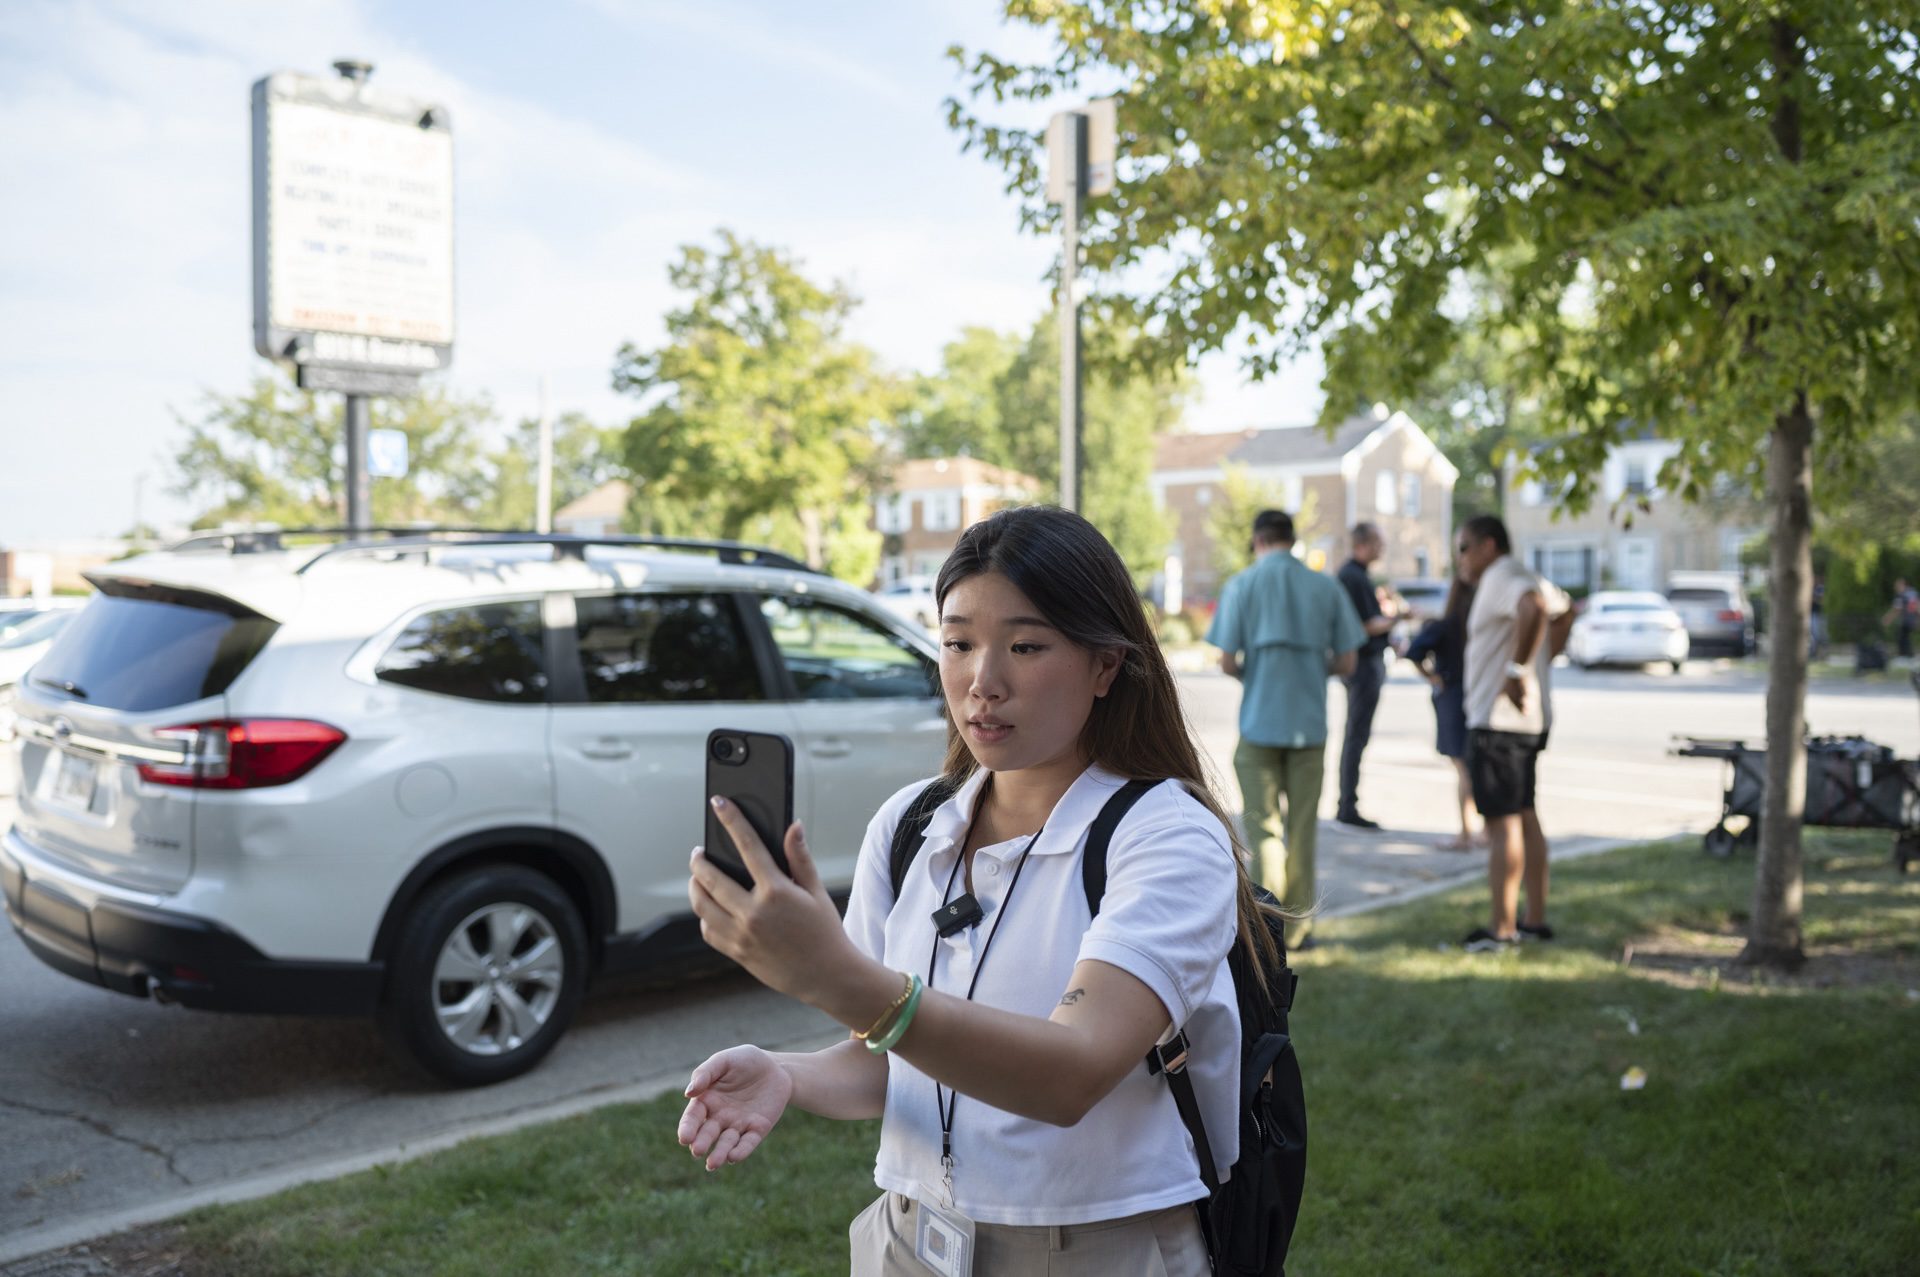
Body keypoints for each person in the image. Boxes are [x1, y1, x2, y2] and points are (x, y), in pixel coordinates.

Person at [680, 506, 1279, 1276]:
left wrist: (838, 977)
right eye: (958, 642)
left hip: (1095, 1247)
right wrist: (788, 1073)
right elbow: (891, 1055)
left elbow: (1074, 1072)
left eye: (1025, 646)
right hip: (910, 1237)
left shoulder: (1165, 834)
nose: (982, 681)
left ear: (1105, 665)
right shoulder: (911, 824)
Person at [1206, 509, 1366, 948]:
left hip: (1258, 725)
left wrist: (1252, 674)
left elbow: (1225, 660)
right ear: (1291, 540)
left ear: (1257, 540)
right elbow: (1349, 661)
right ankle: (1300, 930)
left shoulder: (1243, 583)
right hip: (1309, 727)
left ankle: (1267, 928)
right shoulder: (1324, 585)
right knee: (1303, 830)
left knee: (1264, 832)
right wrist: (1315, 667)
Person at [1454, 515, 1574, 951]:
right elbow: (1564, 611)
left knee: (1503, 824)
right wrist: (1541, 658)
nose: (1460, 559)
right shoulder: (1525, 574)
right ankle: (1535, 919)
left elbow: (1536, 608)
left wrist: (1519, 669)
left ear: (1489, 545)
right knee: (1525, 814)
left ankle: (1503, 930)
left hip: (1498, 723)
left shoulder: (1503, 575)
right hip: (1525, 722)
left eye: (1464, 547)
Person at [1404, 575, 1480, 850]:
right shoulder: (1470, 625)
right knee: (1468, 765)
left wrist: (1433, 677)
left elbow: (1414, 651)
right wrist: (1433, 677)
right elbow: (1413, 651)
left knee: (1464, 767)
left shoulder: (1449, 624)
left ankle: (1468, 832)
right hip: (1468, 695)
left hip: (1454, 696)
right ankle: (1472, 830)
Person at [1334, 522, 1398, 830]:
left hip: (1364, 663)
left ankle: (1348, 803)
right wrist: (1394, 619)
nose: (1381, 550)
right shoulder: (1352, 577)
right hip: (1362, 664)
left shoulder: (1356, 575)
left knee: (1356, 734)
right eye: (1378, 543)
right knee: (1356, 735)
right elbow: (1361, 625)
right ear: (1363, 544)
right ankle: (1347, 806)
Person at [1887, 578, 1918, 659]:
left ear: (1902, 585)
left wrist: (1888, 619)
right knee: (1904, 636)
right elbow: (1917, 605)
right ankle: (1908, 655)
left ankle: (1905, 656)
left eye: (1897, 586)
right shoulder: (1913, 592)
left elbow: (1897, 609)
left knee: (1902, 637)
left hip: (1907, 620)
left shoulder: (1901, 595)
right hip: (1913, 619)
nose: (1896, 588)